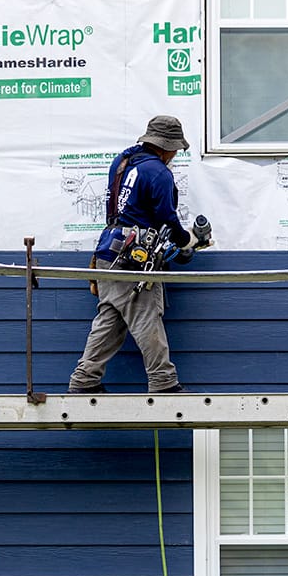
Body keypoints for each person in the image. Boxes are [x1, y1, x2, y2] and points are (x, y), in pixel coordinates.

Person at [68, 115, 201, 395]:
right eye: (175, 149)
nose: (175, 155)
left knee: (111, 319)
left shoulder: (123, 163)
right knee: (145, 316)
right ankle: (163, 382)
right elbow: (166, 217)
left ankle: (84, 380)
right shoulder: (159, 173)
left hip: (108, 251)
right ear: (166, 147)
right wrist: (186, 240)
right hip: (134, 257)